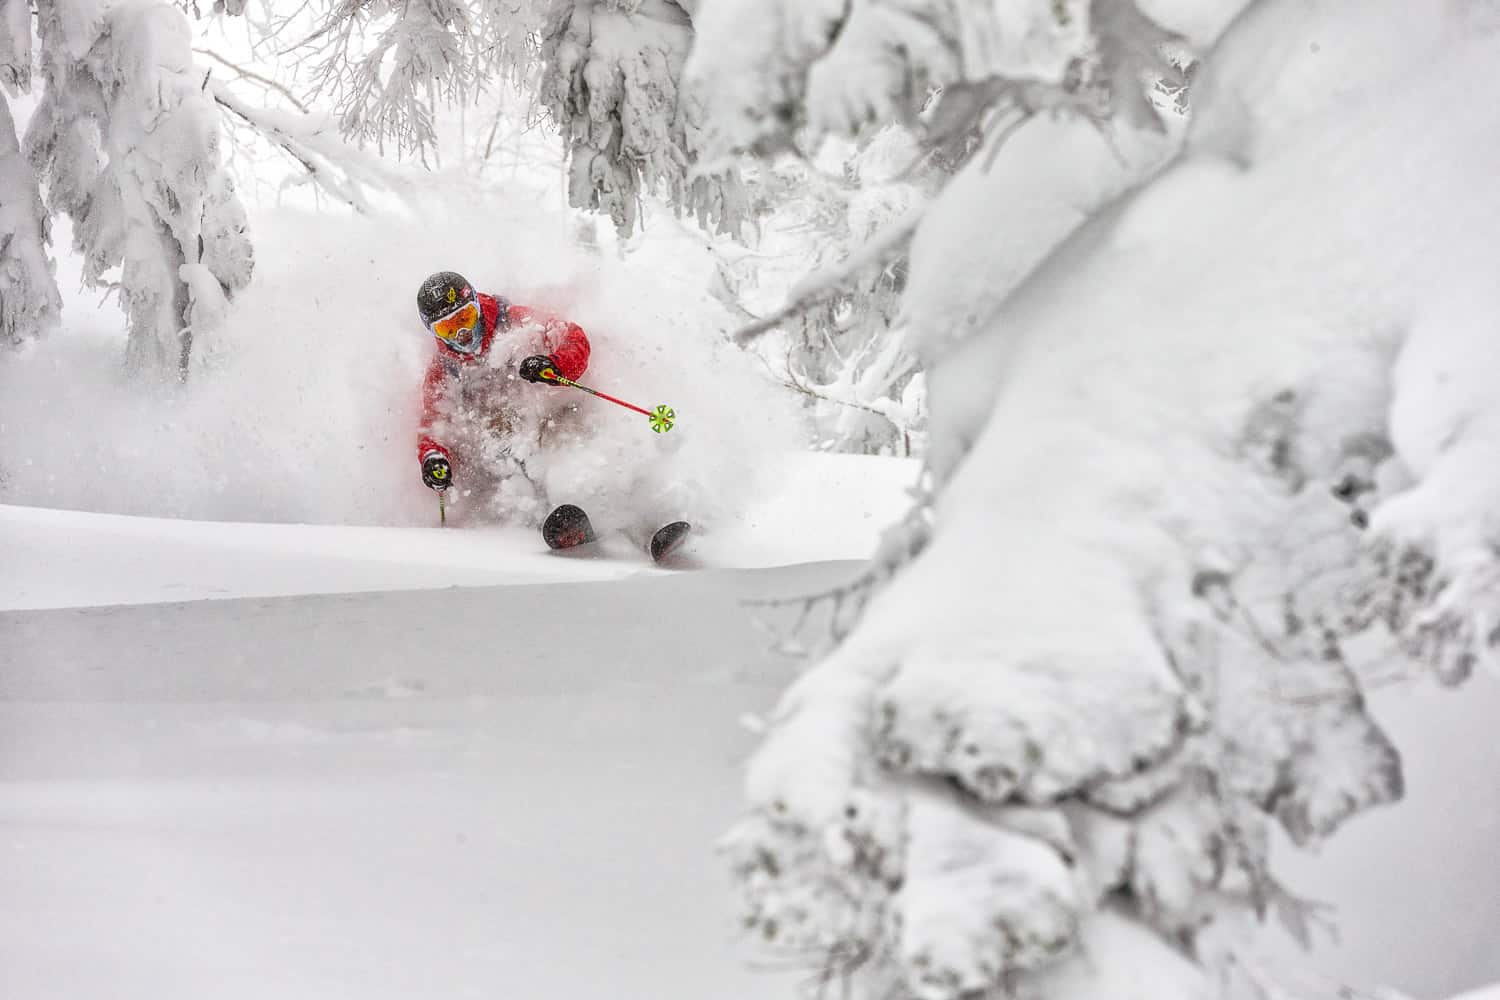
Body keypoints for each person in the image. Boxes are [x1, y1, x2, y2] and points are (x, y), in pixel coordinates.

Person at [413, 270, 690, 558]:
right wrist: (434, 456)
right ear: (434, 332)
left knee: (585, 459)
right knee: (511, 457)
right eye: (448, 329)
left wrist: (554, 364)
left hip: (557, 416)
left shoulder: (515, 322)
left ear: (478, 308)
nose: (463, 333)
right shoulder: (445, 370)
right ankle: (563, 520)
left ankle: (649, 525)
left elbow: (573, 337)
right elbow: (433, 424)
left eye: (465, 319)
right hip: (512, 442)